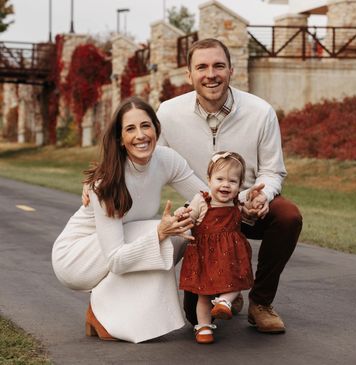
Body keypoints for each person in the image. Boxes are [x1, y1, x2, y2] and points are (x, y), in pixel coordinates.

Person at [156, 38, 303, 333]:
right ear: (189, 75)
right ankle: (224, 290)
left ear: (231, 70)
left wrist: (261, 196)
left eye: (218, 66)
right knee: (193, 316)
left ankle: (260, 303)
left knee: (288, 216)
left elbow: (273, 170)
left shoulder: (260, 112)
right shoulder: (168, 114)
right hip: (203, 215)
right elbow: (147, 160)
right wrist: (100, 180)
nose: (211, 74)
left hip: (246, 207)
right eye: (202, 67)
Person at [52, 96, 207, 343]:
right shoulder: (107, 182)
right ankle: (102, 313)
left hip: (119, 246)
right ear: (120, 138)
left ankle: (121, 313)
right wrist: (159, 233)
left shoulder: (167, 159)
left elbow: (205, 197)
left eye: (146, 125)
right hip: (75, 258)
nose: (140, 135)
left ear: (156, 128)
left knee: (179, 232)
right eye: (130, 129)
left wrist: (190, 211)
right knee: (165, 235)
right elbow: (115, 259)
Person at [175, 151, 254, 344]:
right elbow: (190, 217)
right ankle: (203, 327)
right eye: (219, 179)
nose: (225, 185)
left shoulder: (237, 203)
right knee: (204, 295)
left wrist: (254, 208)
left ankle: (224, 301)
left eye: (232, 181)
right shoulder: (202, 200)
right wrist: (181, 214)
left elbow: (248, 216)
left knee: (236, 282)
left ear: (239, 185)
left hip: (230, 257)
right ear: (209, 180)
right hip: (206, 257)